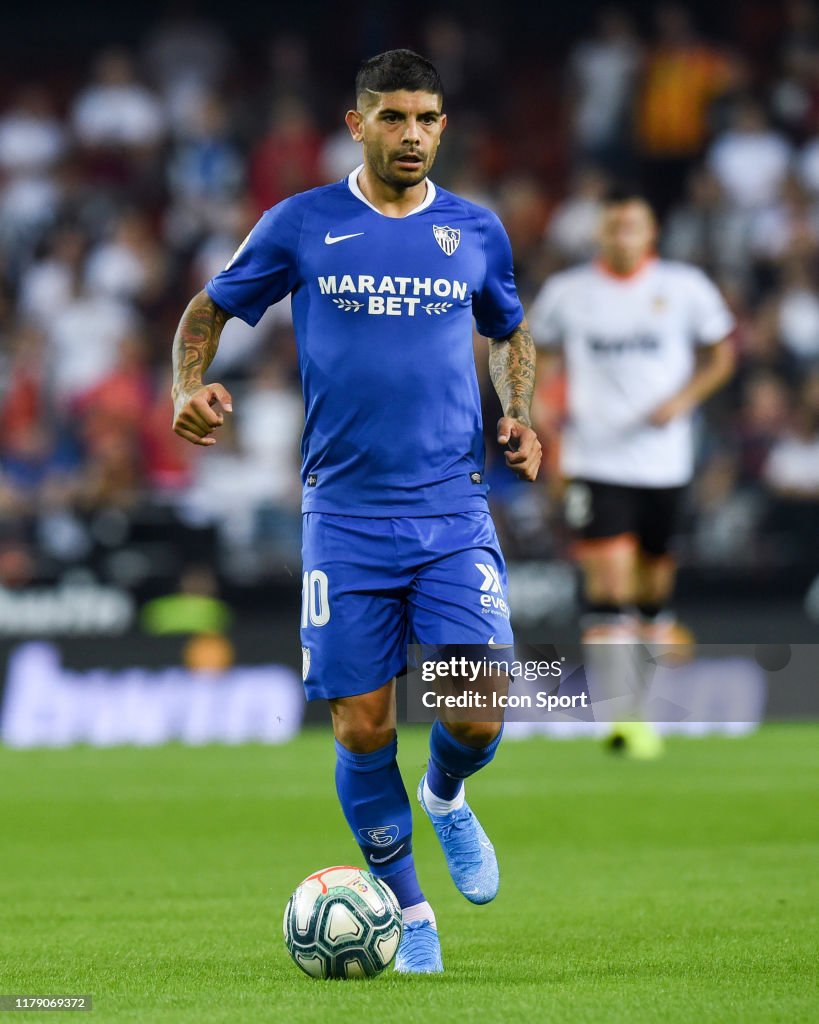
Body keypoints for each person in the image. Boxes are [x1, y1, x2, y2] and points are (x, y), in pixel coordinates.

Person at [170, 50, 540, 973]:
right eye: (393, 118)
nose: (411, 134)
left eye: (426, 119)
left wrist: (519, 412)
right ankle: (411, 916)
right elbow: (207, 311)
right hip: (343, 515)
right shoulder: (301, 223)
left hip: (451, 507)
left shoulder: (475, 230)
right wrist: (188, 385)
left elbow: (509, 329)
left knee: (479, 709)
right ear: (358, 124)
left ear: (442, 128)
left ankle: (447, 797)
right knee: (361, 725)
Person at [530, 190, 735, 758]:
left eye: (633, 227)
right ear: (600, 234)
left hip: (664, 462)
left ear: (651, 234)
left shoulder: (685, 288)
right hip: (596, 459)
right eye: (613, 227)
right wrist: (544, 405)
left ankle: (645, 701)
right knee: (609, 585)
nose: (622, 236)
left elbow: (721, 354)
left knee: (650, 591)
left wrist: (684, 400)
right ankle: (621, 721)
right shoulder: (568, 294)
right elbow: (540, 356)